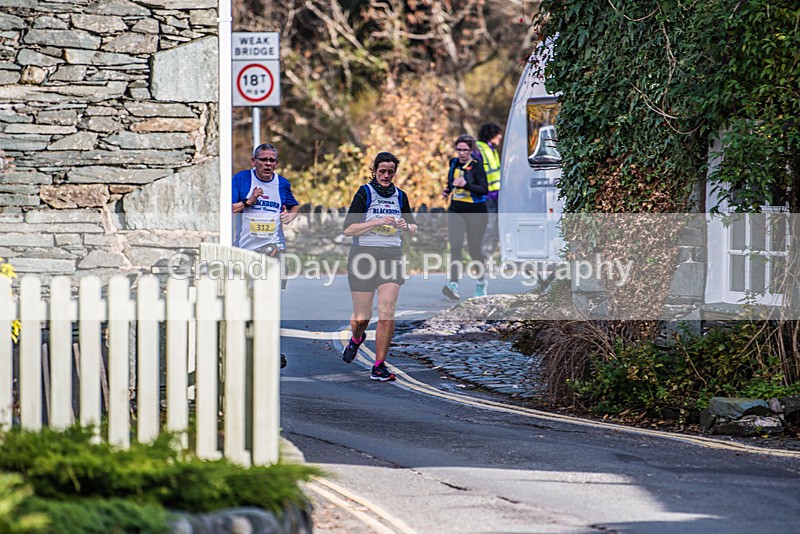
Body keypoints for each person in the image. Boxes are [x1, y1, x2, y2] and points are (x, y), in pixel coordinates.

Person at [341, 152, 418, 382]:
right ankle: (356, 338)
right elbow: (348, 229)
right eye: (382, 171)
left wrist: (406, 225)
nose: (386, 175)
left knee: (387, 311)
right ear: (374, 170)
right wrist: (375, 221)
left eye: (390, 171)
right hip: (363, 258)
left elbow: (413, 227)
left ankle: (379, 365)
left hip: (391, 257)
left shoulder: (400, 196)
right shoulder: (365, 193)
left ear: (395, 172)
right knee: (362, 319)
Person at [232, 142, 300, 368]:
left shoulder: (282, 184)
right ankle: (244, 345)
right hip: (244, 251)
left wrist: (290, 216)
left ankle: (269, 348)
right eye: (263, 160)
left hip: (274, 249)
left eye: (272, 160)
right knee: (246, 300)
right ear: (254, 162)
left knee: (269, 302)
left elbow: (293, 206)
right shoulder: (242, 179)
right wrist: (249, 202)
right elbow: (228, 208)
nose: (268, 164)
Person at [441, 134, 489, 300]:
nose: (462, 153)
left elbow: (484, 189)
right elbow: (451, 182)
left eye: (465, 150)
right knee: (455, 246)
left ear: (471, 150)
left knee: (474, 249)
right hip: (456, 209)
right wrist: (447, 190)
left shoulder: (477, 166)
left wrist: (466, 185)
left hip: (476, 211)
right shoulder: (453, 163)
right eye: (459, 150)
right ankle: (453, 284)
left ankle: (481, 283)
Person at [476, 122, 503, 261]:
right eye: (498, 133)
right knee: (490, 228)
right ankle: (483, 259)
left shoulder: (491, 149)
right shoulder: (481, 149)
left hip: (496, 196)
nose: (500, 136)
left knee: (497, 229)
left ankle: (488, 258)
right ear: (490, 134)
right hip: (487, 197)